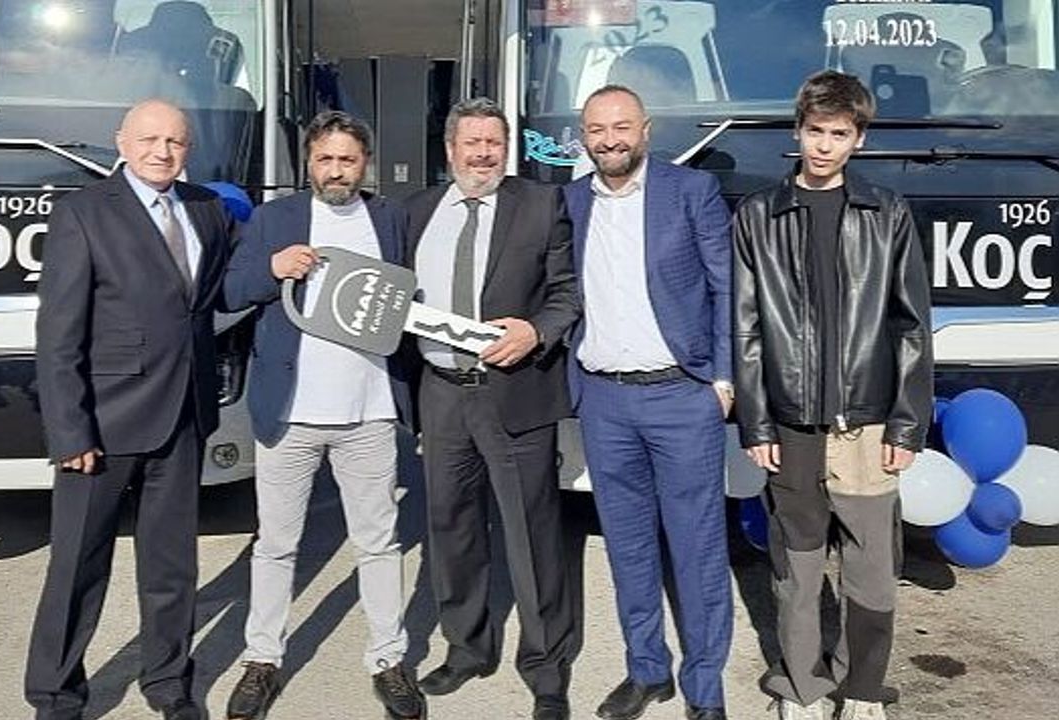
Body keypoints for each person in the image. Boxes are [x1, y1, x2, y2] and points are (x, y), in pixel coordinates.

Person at [732, 70, 933, 720]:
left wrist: (906, 425)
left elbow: (911, 325)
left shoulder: (887, 213)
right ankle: (803, 687)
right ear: (798, 131)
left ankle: (863, 688)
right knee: (797, 567)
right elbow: (746, 328)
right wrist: (757, 423)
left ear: (859, 139)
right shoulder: (758, 216)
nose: (824, 146)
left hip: (867, 425)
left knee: (871, 571)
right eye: (815, 131)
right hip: (790, 426)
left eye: (838, 134)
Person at [25, 99, 232, 720]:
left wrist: (281, 263)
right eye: (149, 139)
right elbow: (58, 335)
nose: (162, 152)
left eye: (175, 141)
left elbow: (221, 291)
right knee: (77, 567)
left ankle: (169, 684)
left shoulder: (207, 208)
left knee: (172, 568)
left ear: (188, 148)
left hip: (183, 415)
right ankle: (56, 694)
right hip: (103, 425)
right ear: (121, 142)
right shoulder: (83, 213)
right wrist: (69, 431)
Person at [219, 110, 425, 720]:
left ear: (367, 164)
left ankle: (388, 660)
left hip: (370, 414)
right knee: (275, 546)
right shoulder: (275, 218)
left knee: (379, 544)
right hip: (290, 414)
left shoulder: (390, 218)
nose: (336, 171)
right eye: (325, 159)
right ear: (308, 163)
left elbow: (410, 296)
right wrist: (272, 269)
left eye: (348, 160)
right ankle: (262, 660)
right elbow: (230, 292)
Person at [406, 97, 581, 720]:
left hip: (515, 390)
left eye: (494, 143)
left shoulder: (540, 203)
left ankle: (546, 667)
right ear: (449, 149)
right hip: (441, 393)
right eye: (472, 143)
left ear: (506, 148)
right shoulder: (417, 210)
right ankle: (467, 647)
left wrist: (537, 331)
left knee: (531, 534)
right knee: (450, 527)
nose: (483, 154)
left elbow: (567, 292)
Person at [562, 84, 734, 720]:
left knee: (697, 549)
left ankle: (705, 689)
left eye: (621, 127)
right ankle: (647, 670)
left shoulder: (690, 192)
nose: (609, 140)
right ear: (584, 137)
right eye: (597, 129)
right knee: (628, 547)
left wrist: (723, 380)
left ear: (646, 130)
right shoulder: (571, 202)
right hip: (605, 401)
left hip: (681, 397)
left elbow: (727, 288)